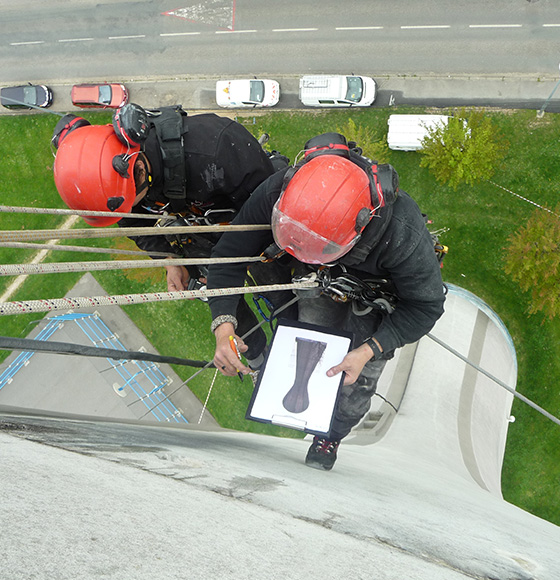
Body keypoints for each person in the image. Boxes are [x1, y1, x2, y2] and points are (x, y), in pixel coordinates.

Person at [206, 132, 446, 471]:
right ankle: (306, 400)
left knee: (357, 382)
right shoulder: (282, 190)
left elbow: (426, 307)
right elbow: (228, 256)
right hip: (320, 282)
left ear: (358, 230)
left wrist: (369, 350)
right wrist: (223, 326)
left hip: (380, 296)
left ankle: (332, 433)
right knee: (312, 344)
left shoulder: (401, 232)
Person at [52, 104, 288, 368]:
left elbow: (269, 206)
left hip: (253, 225)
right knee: (218, 295)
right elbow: (133, 223)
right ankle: (256, 354)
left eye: (130, 203)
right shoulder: (122, 183)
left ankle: (292, 342)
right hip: (202, 227)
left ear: (138, 172)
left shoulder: (218, 149)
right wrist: (169, 258)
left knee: (282, 292)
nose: (129, 211)